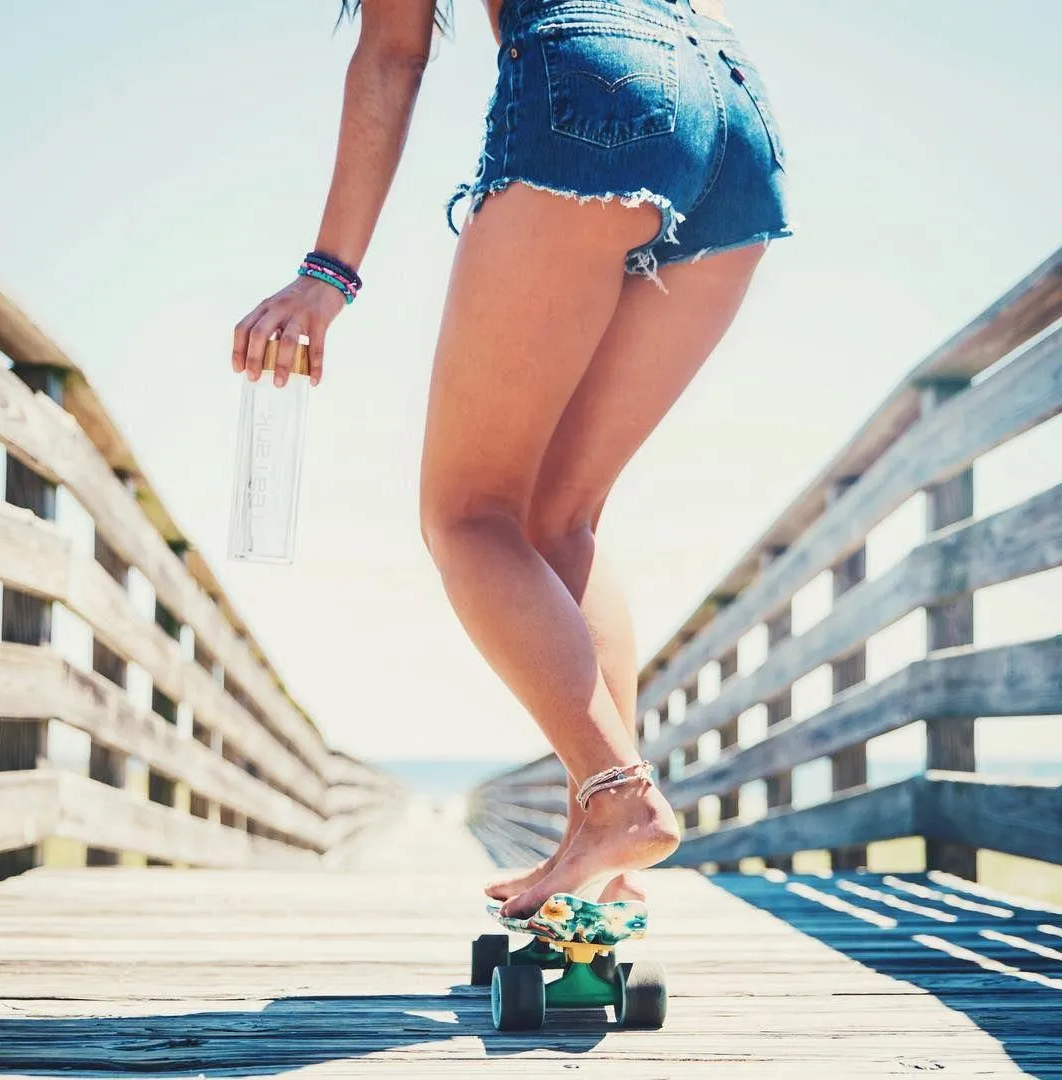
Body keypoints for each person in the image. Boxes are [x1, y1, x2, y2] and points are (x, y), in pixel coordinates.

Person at [232, 0, 792, 919]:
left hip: (598, 81)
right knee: (561, 516)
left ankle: (617, 793)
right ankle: (601, 841)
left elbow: (394, 51)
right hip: (734, 108)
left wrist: (326, 273)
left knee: (467, 514)